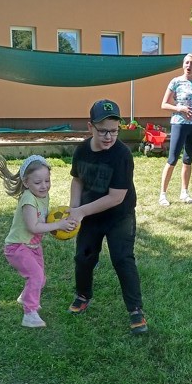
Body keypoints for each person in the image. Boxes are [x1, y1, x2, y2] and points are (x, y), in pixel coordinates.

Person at [66, 99, 148, 335]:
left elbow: (116, 197)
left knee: (122, 259)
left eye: (114, 131)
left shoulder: (122, 155)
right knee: (83, 258)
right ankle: (83, 295)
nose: (109, 136)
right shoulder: (82, 150)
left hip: (118, 216)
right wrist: (74, 208)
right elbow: (77, 179)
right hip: (90, 216)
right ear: (90, 127)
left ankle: (135, 310)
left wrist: (81, 211)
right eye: (103, 131)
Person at [0, 154, 77, 328]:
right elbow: (33, 226)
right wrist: (59, 224)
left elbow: (43, 218)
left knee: (40, 279)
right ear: (26, 183)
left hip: (32, 245)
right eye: (38, 182)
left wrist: (61, 220)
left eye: (47, 181)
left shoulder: (43, 196)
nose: (44, 186)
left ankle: (25, 297)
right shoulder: (28, 199)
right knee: (36, 276)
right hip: (18, 247)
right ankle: (29, 314)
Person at [158, 53, 192, 205]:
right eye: (186, 63)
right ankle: (163, 195)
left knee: (188, 159)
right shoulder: (176, 82)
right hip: (179, 123)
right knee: (172, 159)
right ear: (183, 65)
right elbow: (164, 104)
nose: (188, 65)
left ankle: (184, 193)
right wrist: (180, 108)